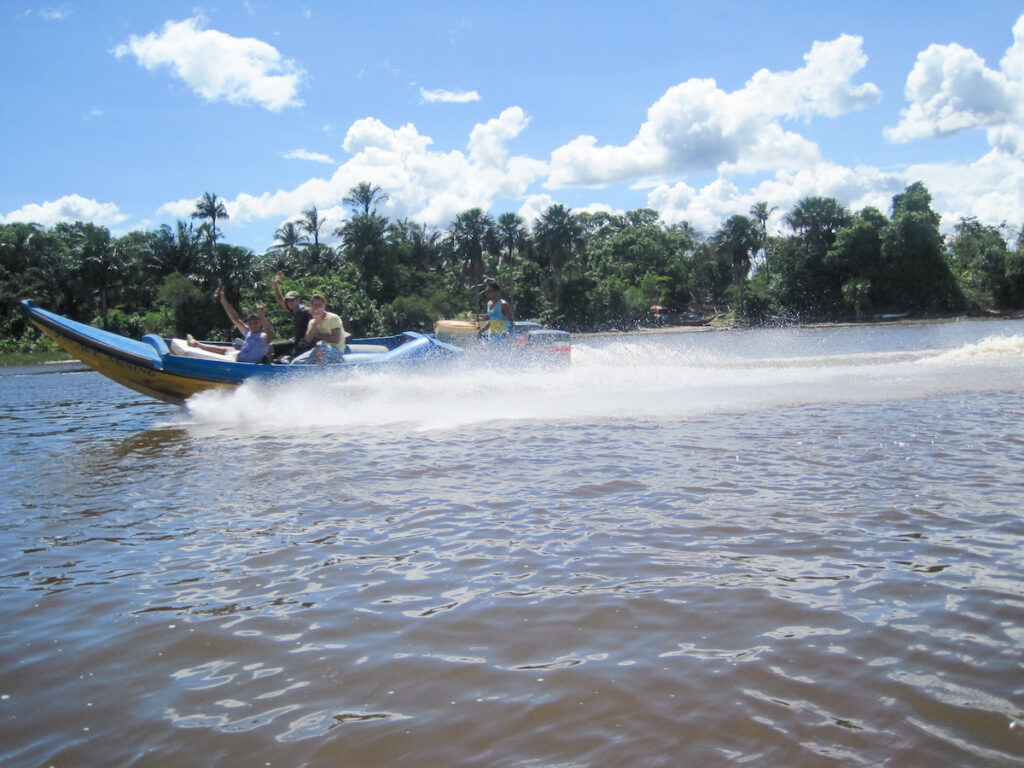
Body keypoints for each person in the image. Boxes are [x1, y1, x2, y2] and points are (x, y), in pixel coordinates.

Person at [187, 285, 272, 363]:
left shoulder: (263, 337)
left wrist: (262, 317)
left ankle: (195, 344)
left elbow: (270, 333)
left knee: (229, 349)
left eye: (255, 323)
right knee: (226, 349)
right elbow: (236, 319)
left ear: (261, 324)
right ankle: (196, 344)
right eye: (250, 323)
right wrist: (223, 299)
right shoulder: (248, 332)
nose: (252, 325)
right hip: (237, 360)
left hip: (244, 368)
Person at [290, 293, 350, 365]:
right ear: (311, 306)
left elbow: (336, 339)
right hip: (320, 350)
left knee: (320, 348)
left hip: (336, 350)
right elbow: (308, 340)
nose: (318, 307)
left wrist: (317, 335)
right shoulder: (312, 322)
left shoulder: (333, 318)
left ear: (324, 305)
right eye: (315, 305)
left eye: (320, 305)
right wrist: (316, 323)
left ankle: (322, 369)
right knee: (296, 362)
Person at [273, 271, 314, 356]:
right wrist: (275, 284)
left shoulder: (306, 311)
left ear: (298, 300)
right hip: (295, 341)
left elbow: (314, 327)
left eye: (292, 300)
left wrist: (306, 341)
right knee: (271, 348)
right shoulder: (294, 309)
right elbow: (279, 300)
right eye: (288, 301)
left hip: (305, 345)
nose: (289, 302)